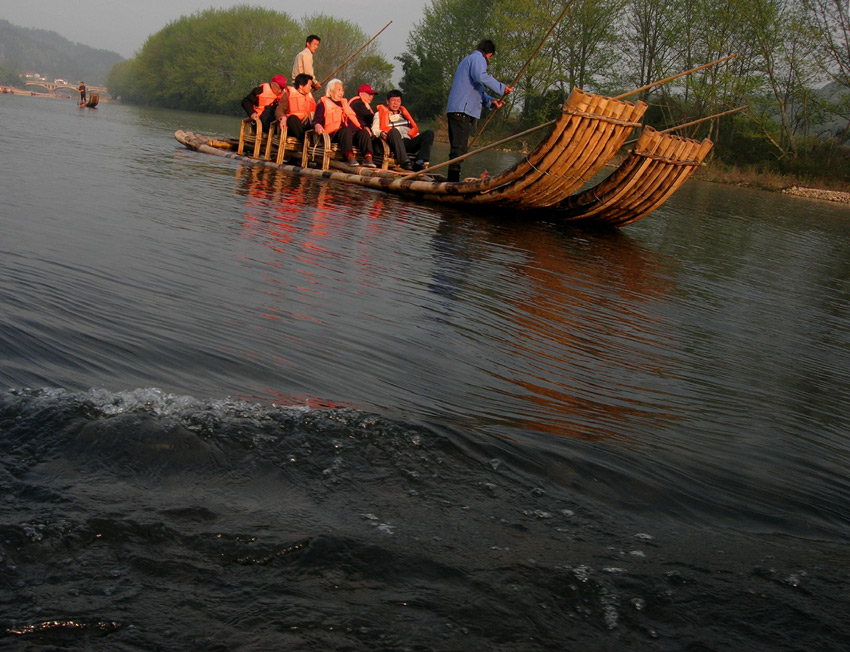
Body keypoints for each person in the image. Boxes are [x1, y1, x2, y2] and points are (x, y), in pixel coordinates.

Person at [445, 39, 513, 182]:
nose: (489, 61)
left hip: (458, 110)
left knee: (459, 149)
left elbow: (478, 90)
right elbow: (481, 77)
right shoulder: (477, 59)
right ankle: (452, 183)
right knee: (458, 150)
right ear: (489, 54)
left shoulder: (470, 61)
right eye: (490, 58)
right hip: (460, 111)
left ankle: (452, 181)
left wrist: (491, 101)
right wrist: (502, 88)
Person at [312, 78, 376, 167]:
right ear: (330, 91)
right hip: (333, 135)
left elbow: (354, 119)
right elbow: (316, 120)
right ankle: (349, 156)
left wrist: (364, 126)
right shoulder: (322, 104)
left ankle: (368, 157)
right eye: (338, 90)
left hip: (348, 135)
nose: (341, 93)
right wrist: (317, 125)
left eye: (342, 90)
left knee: (363, 132)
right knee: (345, 130)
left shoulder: (344, 104)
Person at [373, 89, 434, 172]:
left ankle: (420, 161)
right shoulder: (379, 114)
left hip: (407, 142)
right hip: (392, 143)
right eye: (393, 101)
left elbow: (413, 131)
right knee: (393, 131)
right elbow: (374, 129)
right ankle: (405, 161)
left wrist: (418, 137)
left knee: (429, 133)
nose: (396, 103)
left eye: (398, 101)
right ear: (387, 102)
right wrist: (381, 133)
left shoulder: (404, 116)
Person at [275, 73, 317, 141]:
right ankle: (305, 140)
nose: (311, 87)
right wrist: (282, 118)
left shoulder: (310, 98)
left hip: (306, 126)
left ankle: (311, 141)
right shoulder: (288, 95)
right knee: (292, 118)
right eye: (309, 85)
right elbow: (279, 110)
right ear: (301, 85)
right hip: (293, 127)